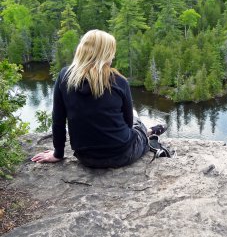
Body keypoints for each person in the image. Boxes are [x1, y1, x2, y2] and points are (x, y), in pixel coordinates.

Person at [31, 30, 166, 168]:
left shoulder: (65, 77)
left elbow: (58, 120)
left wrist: (57, 154)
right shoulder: (118, 81)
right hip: (123, 154)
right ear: (104, 54)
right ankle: (149, 132)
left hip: (86, 157)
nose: (113, 56)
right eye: (111, 51)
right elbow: (128, 123)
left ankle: (148, 131)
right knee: (136, 121)